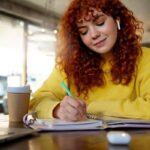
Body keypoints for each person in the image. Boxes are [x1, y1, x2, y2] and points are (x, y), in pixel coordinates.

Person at [29, 0, 150, 121]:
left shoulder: (145, 58)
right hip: (80, 140)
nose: (93, 34)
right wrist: (57, 109)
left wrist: (90, 108)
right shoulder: (69, 65)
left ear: (117, 19)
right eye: (84, 31)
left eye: (100, 23)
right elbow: (36, 102)